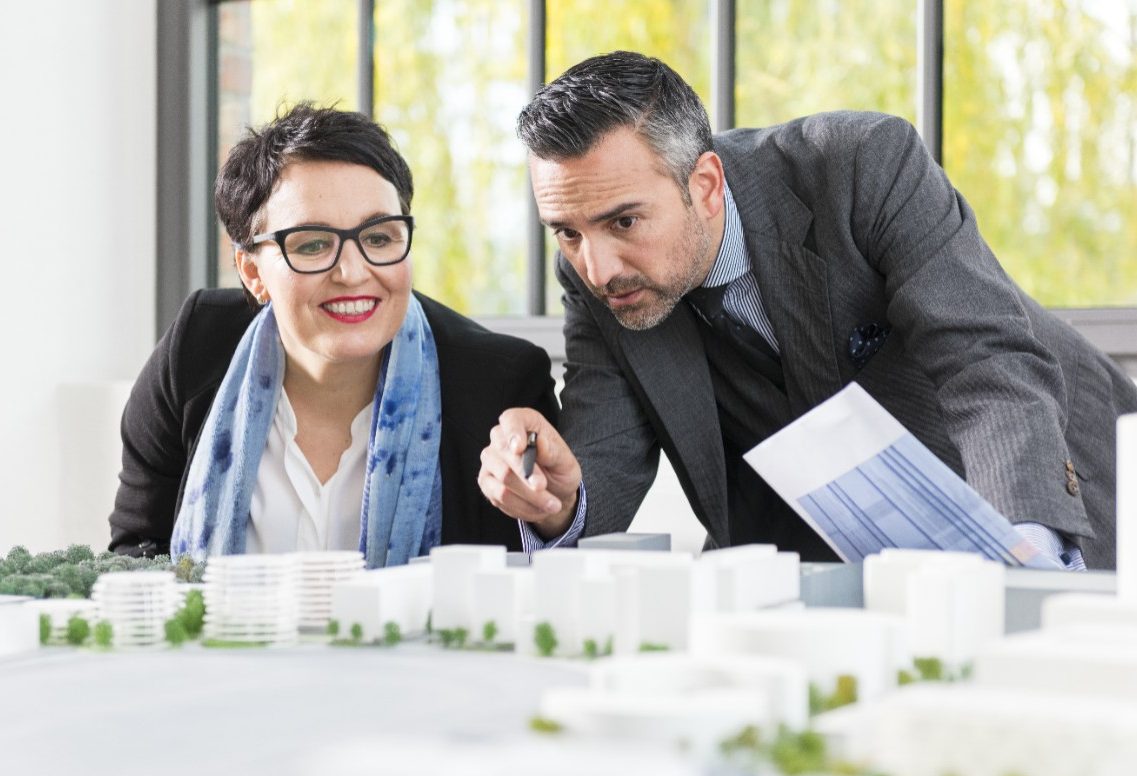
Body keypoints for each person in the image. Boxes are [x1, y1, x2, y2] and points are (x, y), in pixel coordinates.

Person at [477, 51, 1137, 569]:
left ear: (704, 185)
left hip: (1062, 487)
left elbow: (984, 366)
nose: (596, 267)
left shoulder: (858, 166)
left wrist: (1022, 563)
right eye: (565, 231)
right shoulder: (592, 274)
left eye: (623, 220)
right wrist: (556, 504)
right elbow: (604, 457)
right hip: (842, 559)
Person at [111, 104, 557, 566]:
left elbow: (533, 575)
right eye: (312, 244)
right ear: (251, 272)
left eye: (379, 238)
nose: (352, 272)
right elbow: (138, 556)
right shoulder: (196, 349)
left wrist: (550, 516)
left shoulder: (499, 383)